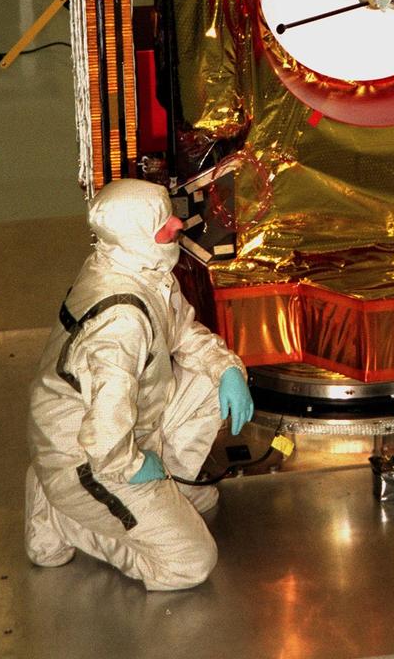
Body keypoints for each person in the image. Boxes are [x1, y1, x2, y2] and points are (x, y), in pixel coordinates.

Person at [24, 177, 253, 591]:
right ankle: (63, 514)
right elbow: (106, 425)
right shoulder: (121, 321)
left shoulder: (132, 266)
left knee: (208, 377)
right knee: (189, 562)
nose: (177, 226)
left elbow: (181, 331)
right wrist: (127, 465)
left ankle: (164, 488)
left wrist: (226, 369)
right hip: (88, 455)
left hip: (110, 426)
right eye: (163, 222)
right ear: (137, 235)